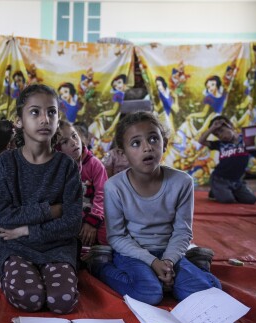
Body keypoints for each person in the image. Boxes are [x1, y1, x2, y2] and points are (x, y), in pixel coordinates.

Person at [86, 112, 221, 305]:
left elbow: (182, 231)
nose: (147, 147)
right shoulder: (114, 187)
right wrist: (152, 263)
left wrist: (168, 261)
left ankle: (190, 266)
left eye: (153, 139)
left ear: (164, 143)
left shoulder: (182, 182)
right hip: (132, 253)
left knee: (206, 294)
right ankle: (100, 265)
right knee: (149, 294)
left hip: (169, 252)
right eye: (135, 143)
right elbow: (116, 236)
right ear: (122, 153)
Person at [0, 84, 83, 314]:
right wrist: (51, 211)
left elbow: (72, 223)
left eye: (51, 112)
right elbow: (2, 216)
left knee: (62, 301)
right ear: (19, 121)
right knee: (30, 298)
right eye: (35, 112)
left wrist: (27, 230)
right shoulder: (7, 163)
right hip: (16, 246)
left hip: (57, 247)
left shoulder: (66, 166)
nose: (44, 119)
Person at [56, 120, 108, 247]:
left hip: (96, 216)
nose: (74, 142)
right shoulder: (58, 171)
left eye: (74, 136)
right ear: (57, 149)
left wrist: (92, 222)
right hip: (73, 219)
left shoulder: (94, 164)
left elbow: (103, 195)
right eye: (65, 142)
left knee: (106, 235)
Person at [198, 115, 256, 204]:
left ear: (230, 125)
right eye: (217, 135)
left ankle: (226, 191)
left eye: (221, 131)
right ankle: (215, 191)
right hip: (220, 179)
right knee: (228, 200)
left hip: (237, 181)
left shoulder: (247, 140)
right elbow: (201, 141)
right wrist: (212, 128)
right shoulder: (220, 144)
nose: (221, 136)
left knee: (251, 200)